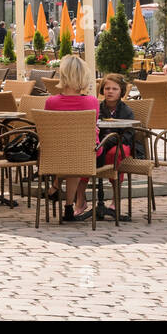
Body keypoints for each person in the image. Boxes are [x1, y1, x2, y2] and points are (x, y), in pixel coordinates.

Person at [44, 55, 99, 221]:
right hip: (85, 153)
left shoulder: (51, 102)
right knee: (75, 153)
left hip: (55, 154)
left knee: (67, 150)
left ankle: (55, 185)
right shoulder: (91, 102)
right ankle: (68, 206)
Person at [97, 73, 138, 221]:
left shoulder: (126, 111)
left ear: (121, 91)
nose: (110, 91)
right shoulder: (97, 108)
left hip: (120, 145)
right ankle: (80, 203)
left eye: (114, 88)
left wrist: (108, 143)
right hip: (99, 144)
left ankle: (115, 201)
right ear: (102, 90)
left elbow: (129, 134)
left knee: (115, 154)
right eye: (107, 88)